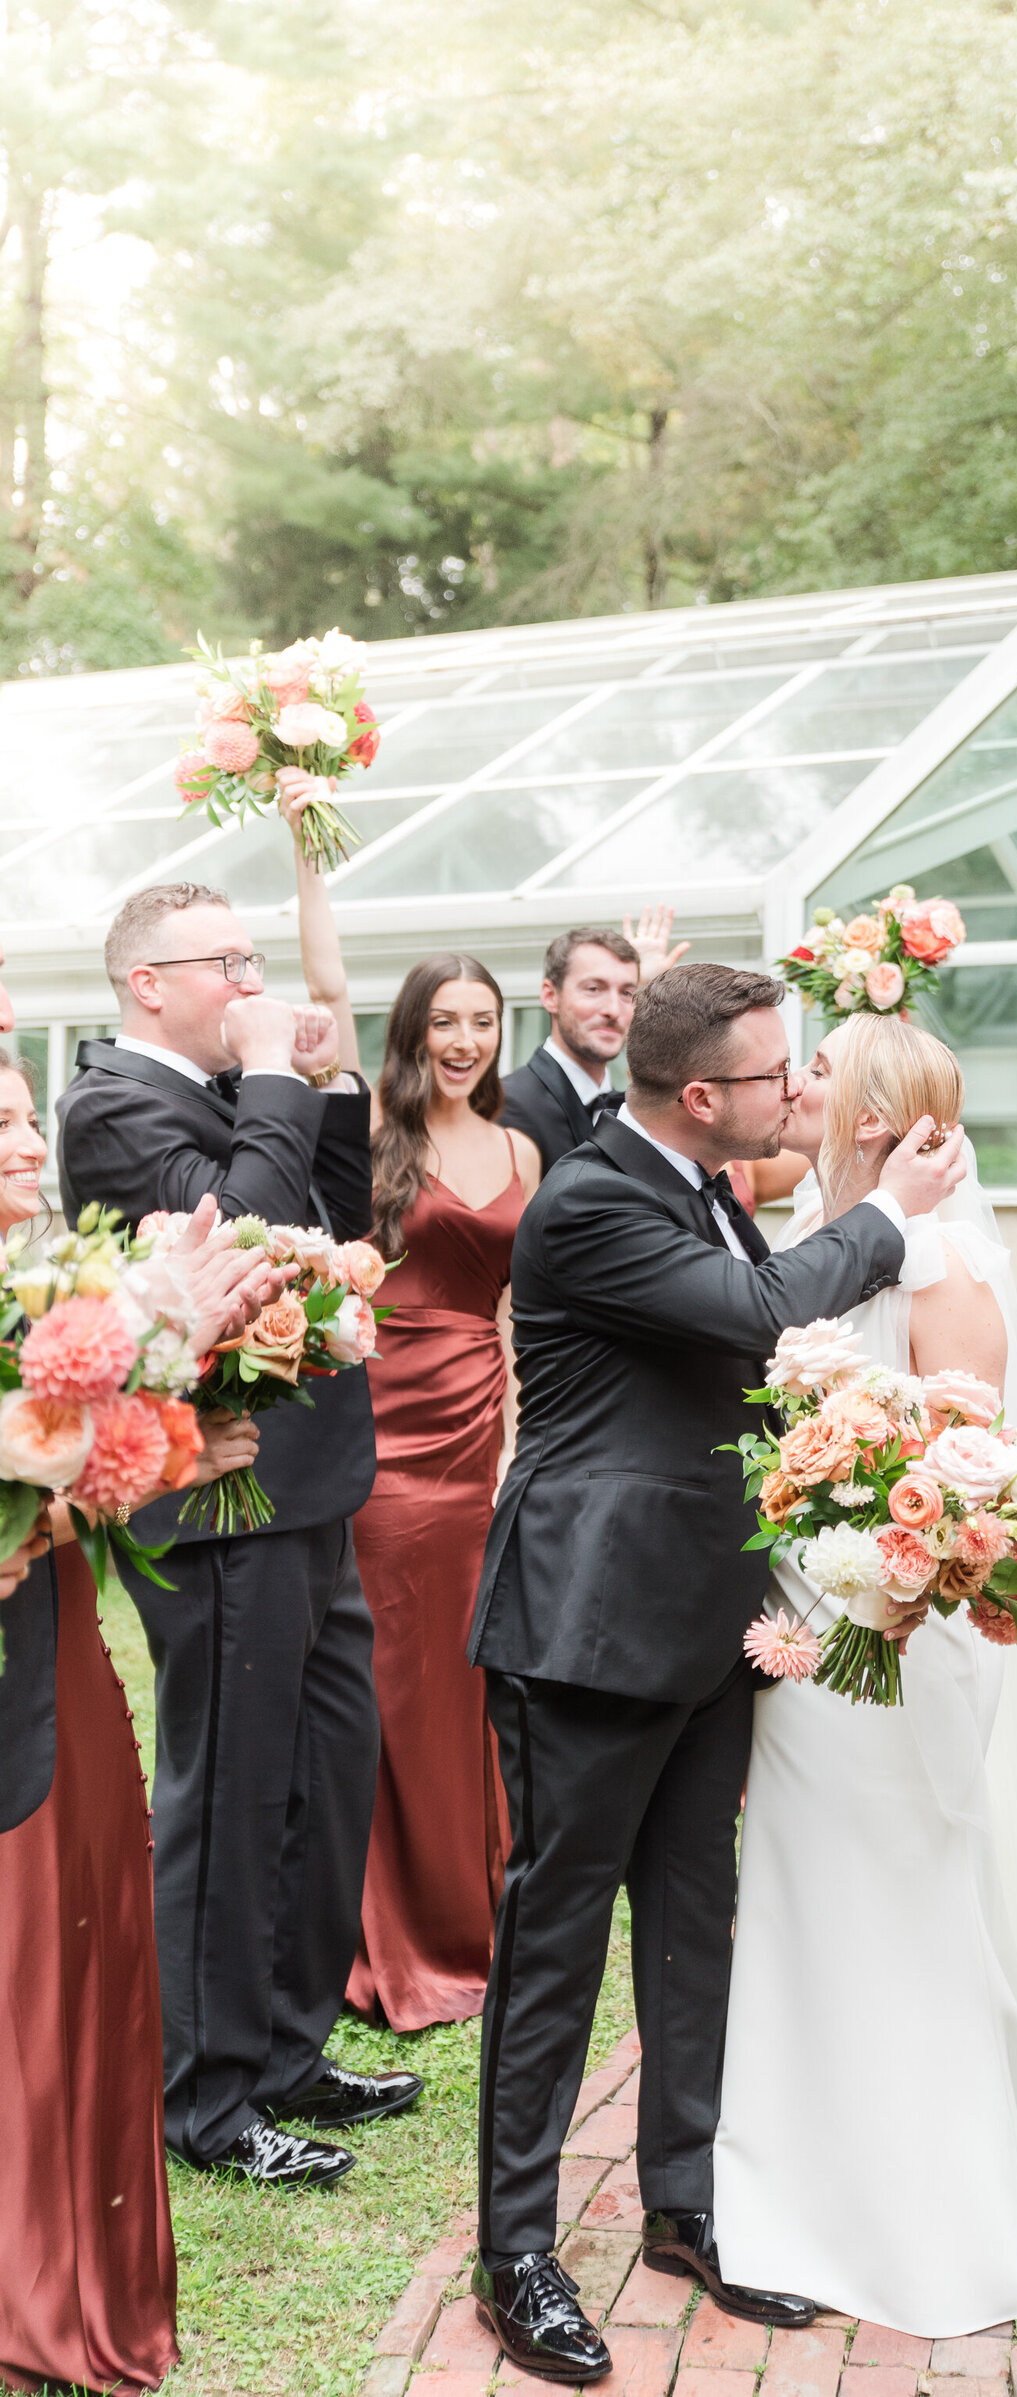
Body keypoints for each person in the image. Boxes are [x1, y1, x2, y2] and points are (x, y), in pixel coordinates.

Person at [466, 962, 966, 2383]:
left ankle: (686, 2204)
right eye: (769, 1074)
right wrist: (885, 1215)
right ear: (702, 1095)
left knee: (697, 1923)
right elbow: (763, 1313)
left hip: (704, 1623)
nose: (787, 1087)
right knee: (553, 1946)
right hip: (588, 1628)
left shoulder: (690, 1180)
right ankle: (519, 2254)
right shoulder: (591, 1199)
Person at [712, 1015, 1017, 2333]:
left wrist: (871, 1569)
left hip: (890, 1624)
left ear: (868, 1113)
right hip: (803, 1615)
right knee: (809, 1878)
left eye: (816, 1070)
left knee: (897, 1868)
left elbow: (965, 1477)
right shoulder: (819, 1234)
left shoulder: (942, 1261)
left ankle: (918, 2171)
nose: (796, 1085)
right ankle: (798, 2135)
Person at [54, 881, 419, 2193]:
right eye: (233, 964)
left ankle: (285, 2047)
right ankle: (206, 2102)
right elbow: (244, 1243)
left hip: (309, 1486)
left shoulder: (231, 1093)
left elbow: (343, 1228)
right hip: (212, 1500)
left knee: (327, 1778)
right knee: (232, 1789)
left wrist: (311, 1090)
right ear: (151, 982)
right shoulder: (112, 1104)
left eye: (258, 962)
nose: (254, 986)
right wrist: (270, 1075)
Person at [0, 1024, 292, 2391]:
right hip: (18, 1689)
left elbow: (55, 1502)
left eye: (18, 1117)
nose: (21, 1140)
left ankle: (67, 2265)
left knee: (88, 1950)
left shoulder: (39, 1298)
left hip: (62, 1665)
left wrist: (175, 1433)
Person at [285, 779, 542, 2029]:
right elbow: (323, 997)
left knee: (467, 1675)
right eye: (444, 1020)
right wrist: (307, 851)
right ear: (416, 1031)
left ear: (503, 1032)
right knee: (389, 1676)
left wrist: (519, 1452)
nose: (463, 1039)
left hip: (477, 1437)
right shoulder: (380, 1125)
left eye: (483, 1020)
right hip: (382, 1433)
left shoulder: (525, 1151)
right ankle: (380, 1927)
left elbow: (515, 1312)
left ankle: (472, 1913)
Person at [497, 909, 688, 1171]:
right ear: (550, 996)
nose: (612, 1009)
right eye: (593, 989)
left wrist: (650, 989)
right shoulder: (507, 1105)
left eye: (626, 992)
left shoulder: (634, 1107)